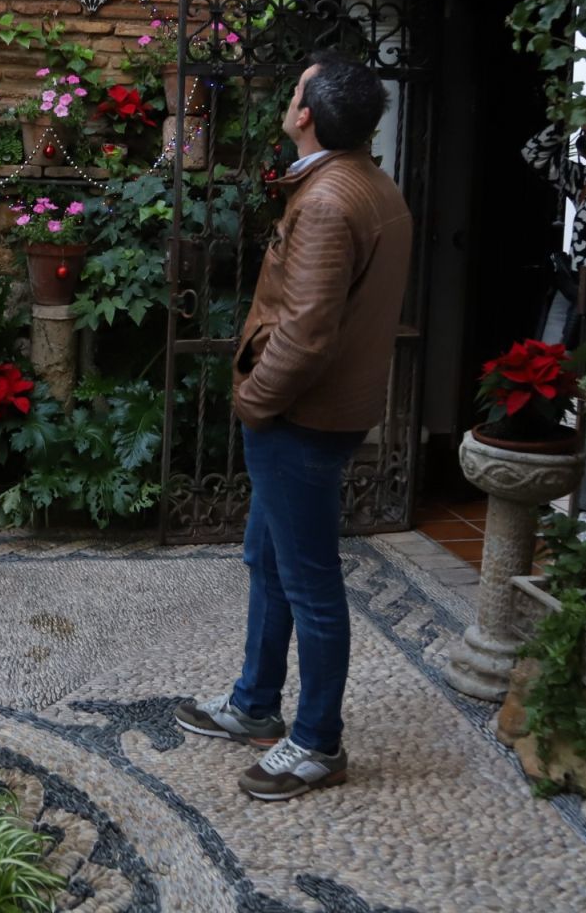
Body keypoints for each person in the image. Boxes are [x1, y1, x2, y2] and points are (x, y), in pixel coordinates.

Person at [175, 51, 412, 802]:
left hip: (301, 419)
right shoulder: (368, 186)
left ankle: (316, 742)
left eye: (295, 88)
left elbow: (305, 333)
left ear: (305, 113)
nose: (289, 96)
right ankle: (253, 704)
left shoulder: (327, 203)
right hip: (321, 413)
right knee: (268, 560)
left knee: (309, 583)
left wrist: (254, 402)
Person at [520, 124, 586, 348]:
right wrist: (566, 123)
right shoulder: (583, 179)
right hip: (571, 285)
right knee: (549, 356)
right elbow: (533, 154)